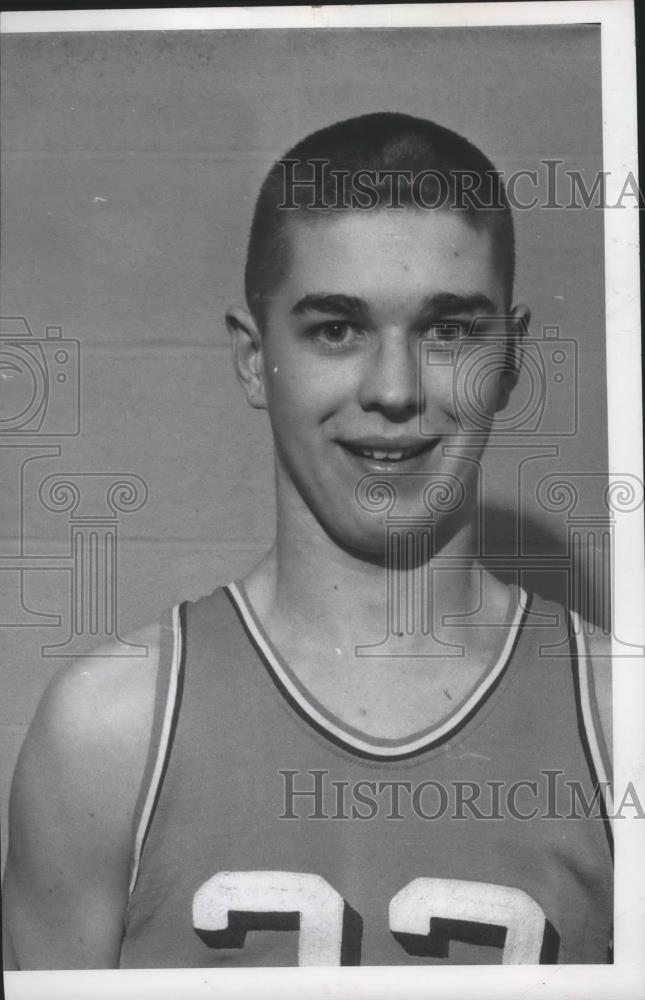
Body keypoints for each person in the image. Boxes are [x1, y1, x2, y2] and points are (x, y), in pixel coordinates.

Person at [2, 113, 612, 969]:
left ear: (510, 357)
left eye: (448, 331)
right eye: (337, 329)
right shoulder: (108, 735)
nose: (393, 390)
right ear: (254, 359)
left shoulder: (623, 727)